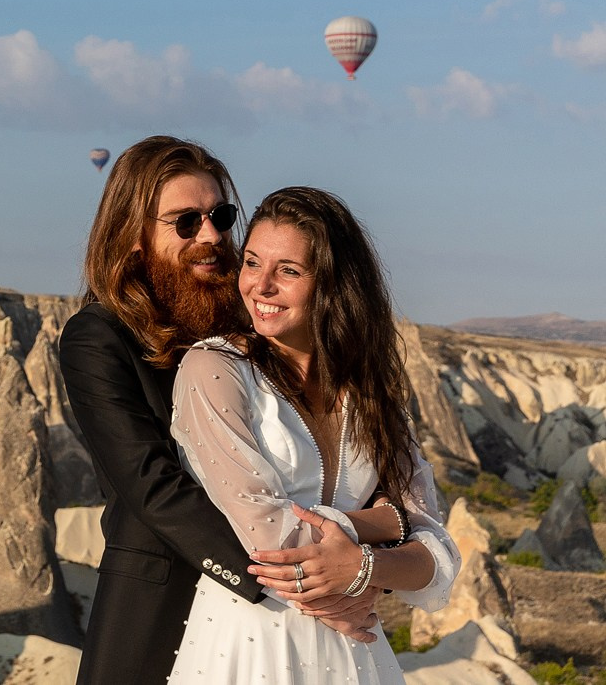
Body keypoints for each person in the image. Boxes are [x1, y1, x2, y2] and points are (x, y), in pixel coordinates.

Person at [60, 137, 381, 685]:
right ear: (132, 235)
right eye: (185, 223)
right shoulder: (99, 337)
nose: (210, 236)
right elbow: (155, 487)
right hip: (159, 614)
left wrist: (358, 567)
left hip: (294, 623)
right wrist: (301, 581)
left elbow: (344, 462)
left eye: (220, 216)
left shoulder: (259, 320)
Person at [166, 186, 458, 682]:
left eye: (288, 271)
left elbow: (438, 552)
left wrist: (364, 572)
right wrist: (382, 527)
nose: (260, 286)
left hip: (356, 645)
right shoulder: (214, 370)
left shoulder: (369, 388)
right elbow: (267, 536)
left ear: (334, 284)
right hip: (250, 641)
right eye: (253, 263)